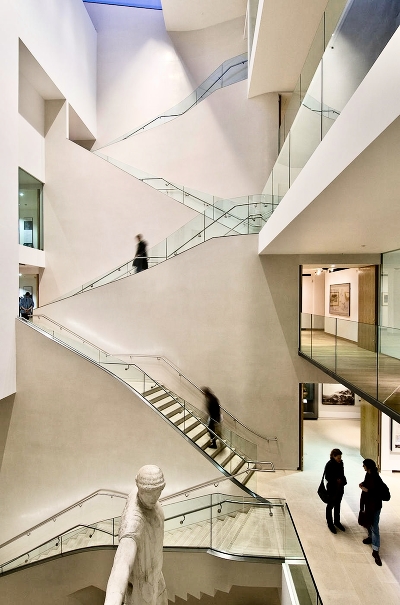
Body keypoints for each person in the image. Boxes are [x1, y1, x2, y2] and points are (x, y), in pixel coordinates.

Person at [104, 465, 167, 605]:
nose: (154, 497)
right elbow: (122, 565)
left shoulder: (143, 496)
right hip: (142, 589)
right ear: (140, 488)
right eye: (149, 492)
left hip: (156, 578)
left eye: (158, 491)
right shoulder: (134, 522)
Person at [359, 458, 383, 566]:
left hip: (374, 506)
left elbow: (377, 491)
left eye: (364, 465)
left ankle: (375, 550)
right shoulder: (368, 475)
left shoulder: (375, 477)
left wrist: (367, 490)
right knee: (369, 522)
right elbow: (367, 484)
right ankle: (370, 537)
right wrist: (363, 484)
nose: (363, 467)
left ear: (368, 467)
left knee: (374, 526)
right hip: (369, 505)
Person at [324, 448, 347, 534]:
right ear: (333, 456)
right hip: (332, 489)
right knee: (330, 506)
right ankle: (330, 523)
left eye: (340, 458)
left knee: (338, 504)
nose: (340, 459)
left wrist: (342, 481)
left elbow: (342, 474)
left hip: (340, 488)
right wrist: (336, 480)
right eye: (338, 458)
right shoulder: (329, 465)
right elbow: (327, 477)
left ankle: (337, 521)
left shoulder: (341, 463)